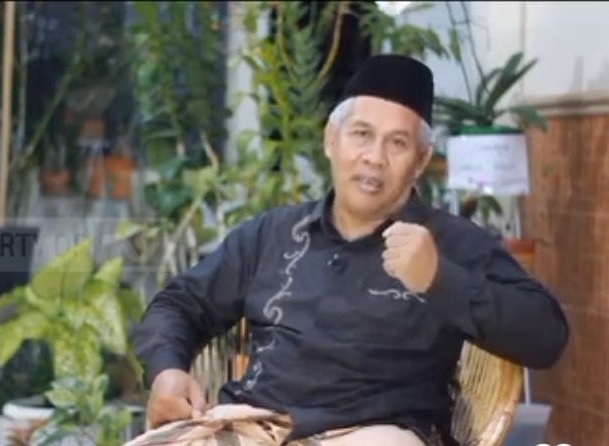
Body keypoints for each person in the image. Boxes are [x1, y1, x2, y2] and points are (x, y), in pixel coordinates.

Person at [127, 54, 569, 446]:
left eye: (397, 143)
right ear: (331, 140)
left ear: (420, 160)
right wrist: (168, 371)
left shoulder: (452, 243)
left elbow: (547, 336)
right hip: (258, 424)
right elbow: (179, 304)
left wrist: (440, 279)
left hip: (377, 433)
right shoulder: (272, 234)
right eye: (361, 134)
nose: (374, 157)